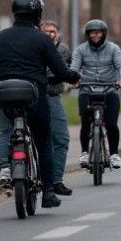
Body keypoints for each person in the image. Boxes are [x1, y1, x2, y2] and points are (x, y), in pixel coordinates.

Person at [0, 0, 80, 209]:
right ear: (37, 14)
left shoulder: (0, 37)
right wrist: (74, 76)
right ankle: (48, 194)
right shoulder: (42, 40)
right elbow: (60, 70)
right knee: (44, 142)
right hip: (33, 95)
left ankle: (6, 167)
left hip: (5, 94)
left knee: (7, 131)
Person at [71, 19, 121, 170]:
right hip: (87, 90)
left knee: (111, 124)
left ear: (104, 34)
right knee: (85, 121)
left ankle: (114, 154)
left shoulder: (114, 49)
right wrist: (74, 79)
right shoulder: (80, 50)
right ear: (87, 34)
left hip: (109, 90)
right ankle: (84, 152)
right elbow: (75, 67)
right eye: (92, 33)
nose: (95, 35)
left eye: (98, 32)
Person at [41, 20, 74, 196]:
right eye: (45, 31)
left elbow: (71, 66)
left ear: (58, 33)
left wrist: (74, 78)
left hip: (53, 96)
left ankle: (56, 180)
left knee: (61, 139)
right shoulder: (35, 46)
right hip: (35, 96)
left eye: (53, 31)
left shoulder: (64, 49)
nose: (49, 34)